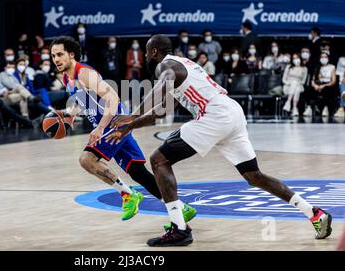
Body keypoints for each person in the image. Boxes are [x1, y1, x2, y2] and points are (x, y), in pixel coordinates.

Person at [106, 34, 332, 246]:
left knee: (158, 160)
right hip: (230, 111)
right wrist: (132, 125)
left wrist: (133, 115)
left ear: (154, 51)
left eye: (147, 53)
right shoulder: (184, 65)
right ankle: (314, 213)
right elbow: (161, 111)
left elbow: (159, 87)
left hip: (214, 114)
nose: (146, 57)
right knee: (254, 176)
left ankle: (179, 228)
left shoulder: (165, 65)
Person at [50, 36, 196, 225]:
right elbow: (82, 101)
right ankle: (181, 208)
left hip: (114, 122)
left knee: (87, 160)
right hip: (110, 124)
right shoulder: (66, 77)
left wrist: (101, 128)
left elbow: (113, 97)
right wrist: (69, 114)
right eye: (53, 56)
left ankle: (128, 194)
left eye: (60, 54)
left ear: (71, 54)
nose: (56, 59)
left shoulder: (84, 73)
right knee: (137, 172)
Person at [310, 52, 337, 117]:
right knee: (310, 89)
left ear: (328, 58)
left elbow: (333, 81)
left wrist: (324, 85)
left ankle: (325, 108)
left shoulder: (332, 67)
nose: (323, 59)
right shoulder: (317, 67)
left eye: (325, 57)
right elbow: (313, 79)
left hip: (328, 84)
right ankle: (309, 108)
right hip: (318, 83)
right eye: (322, 57)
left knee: (327, 90)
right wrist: (314, 85)